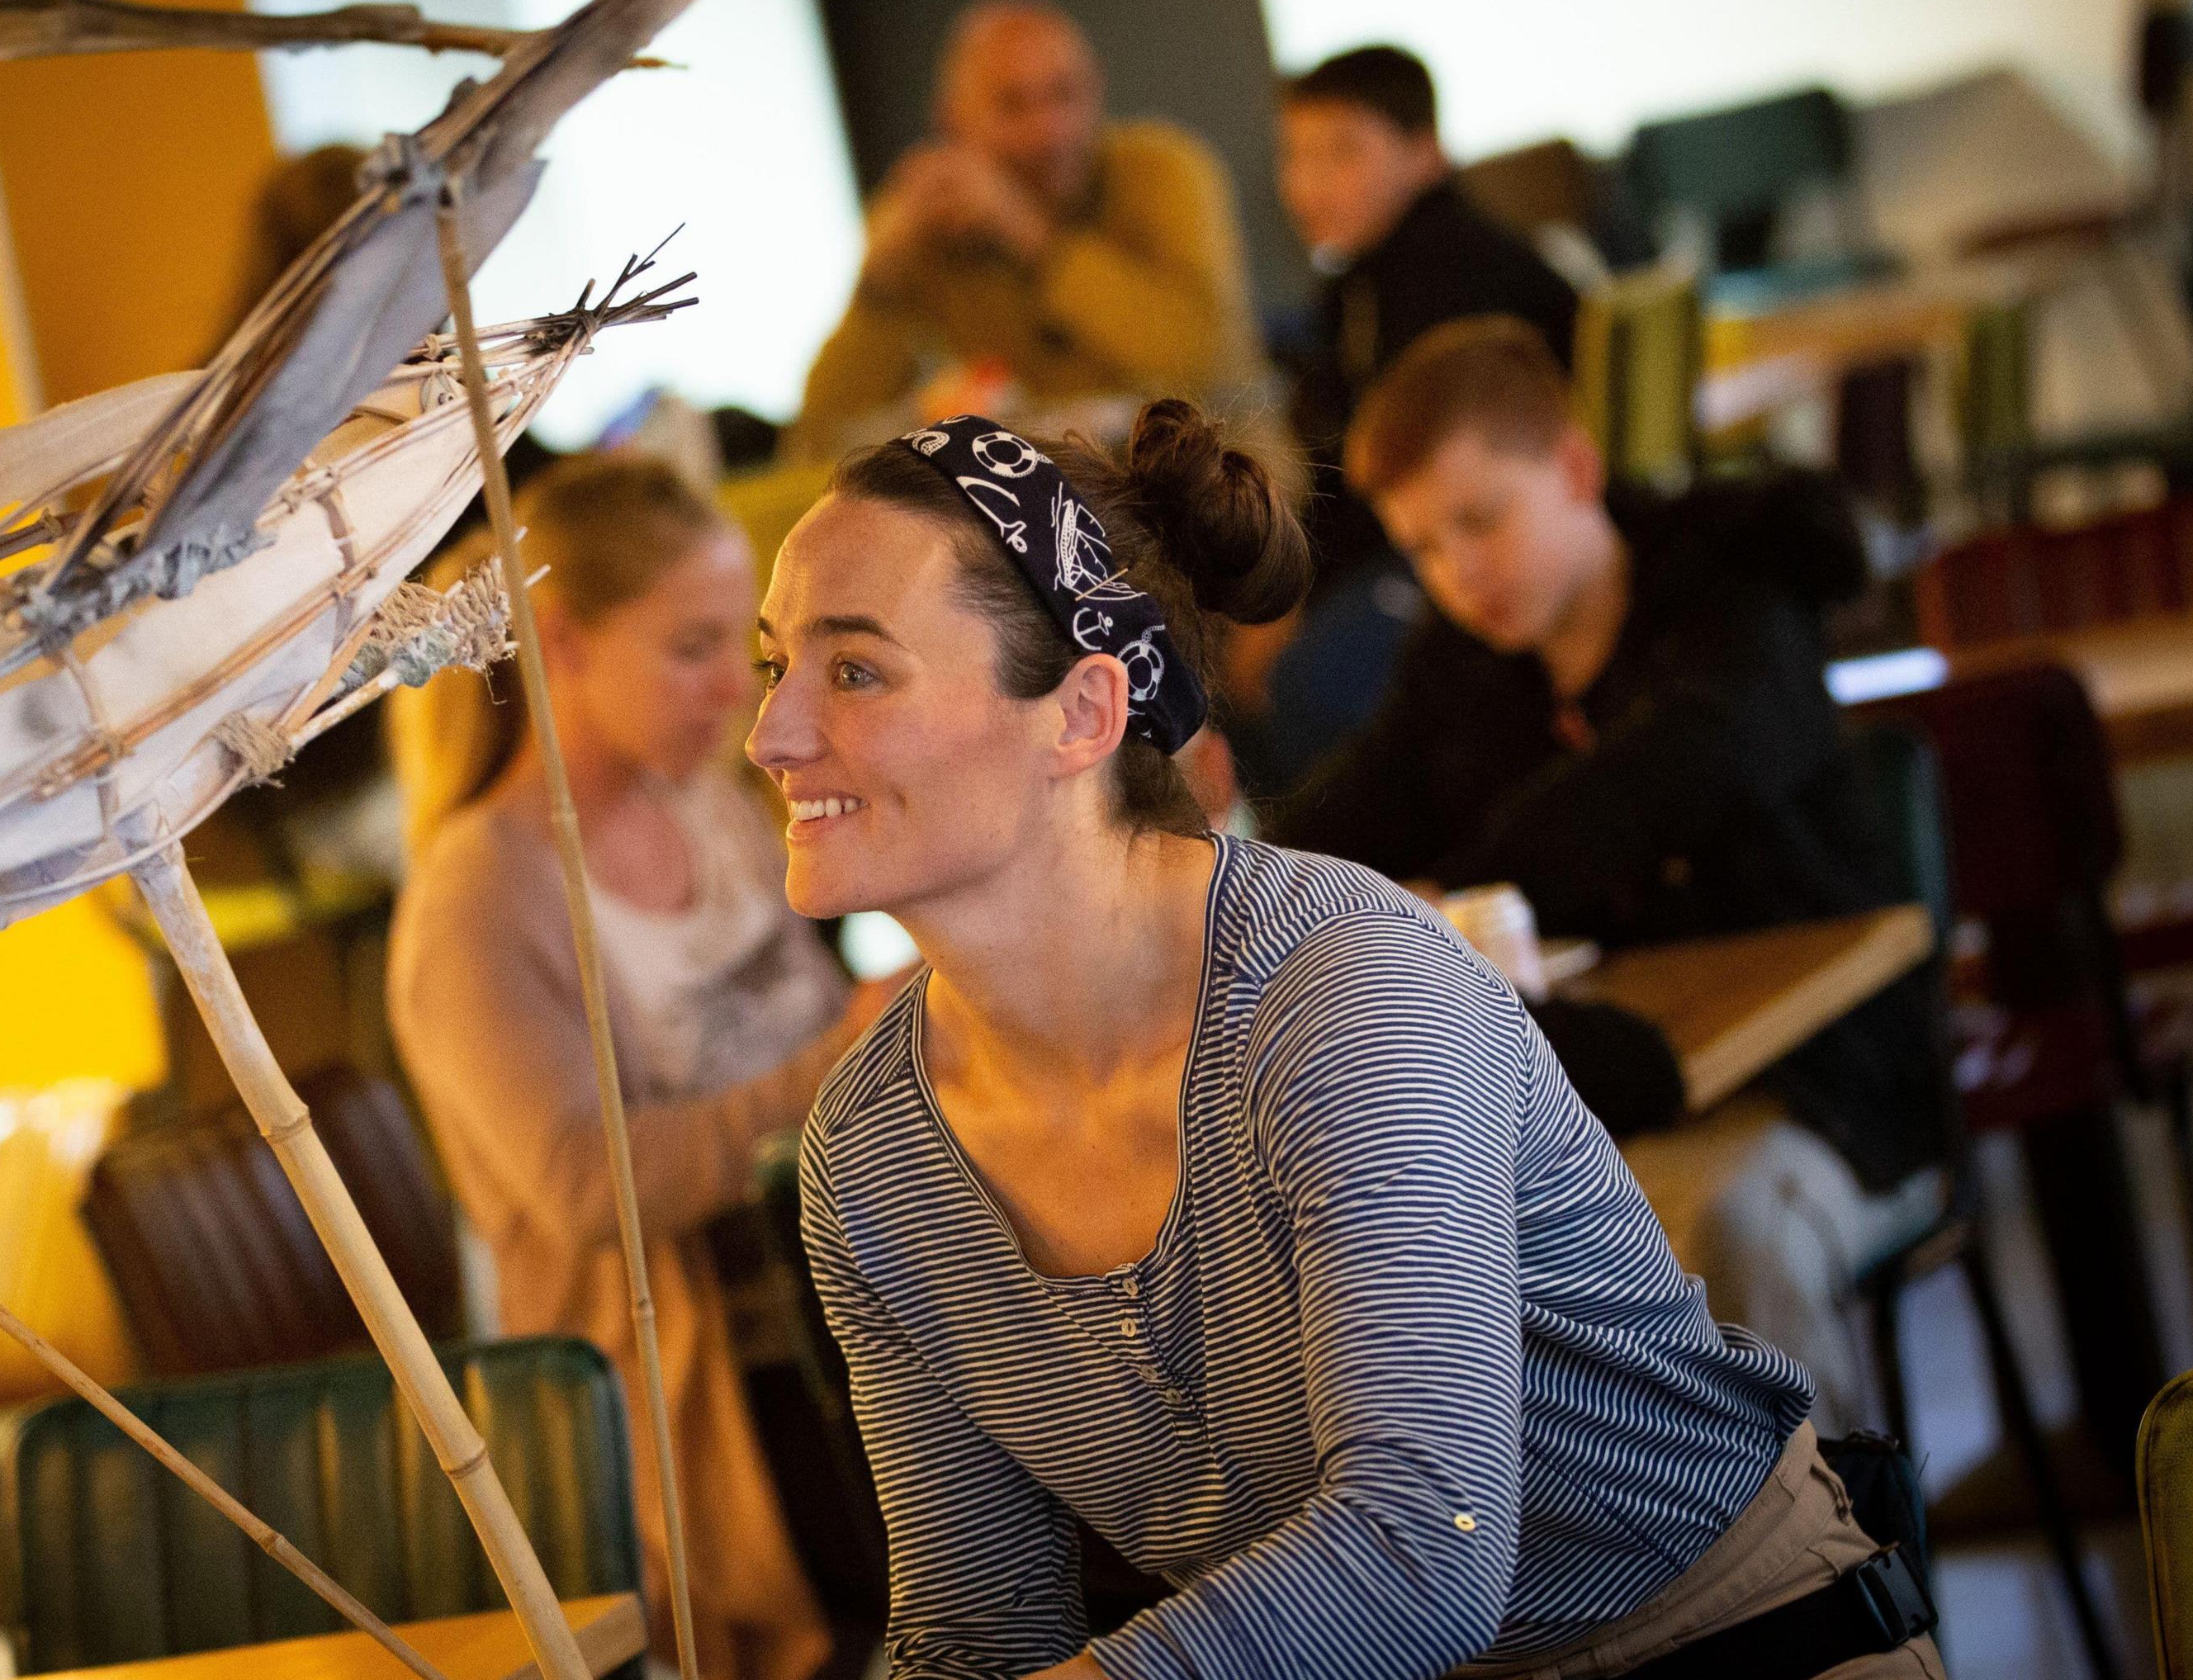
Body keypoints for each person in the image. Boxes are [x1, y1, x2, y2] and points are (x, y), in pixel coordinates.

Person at [751, 401, 1940, 1678]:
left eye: (855, 669)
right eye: (773, 667)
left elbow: (1424, 1542)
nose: (770, 737)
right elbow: (977, 1631)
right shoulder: (868, 1155)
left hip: (1731, 1640)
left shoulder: (1340, 994)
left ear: (1084, 715)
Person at [1271, 318, 1953, 1432]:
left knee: (1726, 1226)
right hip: (1608, 1089)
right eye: (1426, 550)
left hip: (1825, 1082)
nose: (1461, 574)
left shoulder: (1739, 594)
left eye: (1483, 520)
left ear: (1577, 469)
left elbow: (1680, 768)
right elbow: (1345, 823)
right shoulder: (1463, 667)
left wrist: (1458, 890)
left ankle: (1828, 1578)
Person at [386, 456, 885, 1680]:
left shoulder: (709, 803)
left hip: (823, 1317)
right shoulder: (480, 900)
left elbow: (833, 1049)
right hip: (700, 1400)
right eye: (694, 648)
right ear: (561, 642)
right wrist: (846, 1050)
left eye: (748, 648)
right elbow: (590, 1190)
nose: (739, 689)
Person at [1239, 45, 1585, 792]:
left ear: (1426, 154)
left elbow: (1387, 479)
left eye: (1345, 152)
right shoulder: (1359, 279)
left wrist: (1288, 607)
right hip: (1412, 538)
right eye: (1296, 155)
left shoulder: (1448, 274)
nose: (1309, 184)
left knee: (1310, 684)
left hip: (1486, 535)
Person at [784, 0, 1272, 466]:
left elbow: (1210, 364)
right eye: (1013, 105)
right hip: (1050, 501)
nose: (1050, 130)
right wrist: (879, 286)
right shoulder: (930, 218)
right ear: (951, 120)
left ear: (1098, 90)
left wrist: (1031, 234)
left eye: (1066, 94)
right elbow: (820, 440)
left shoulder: (1165, 170)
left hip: (1216, 488)